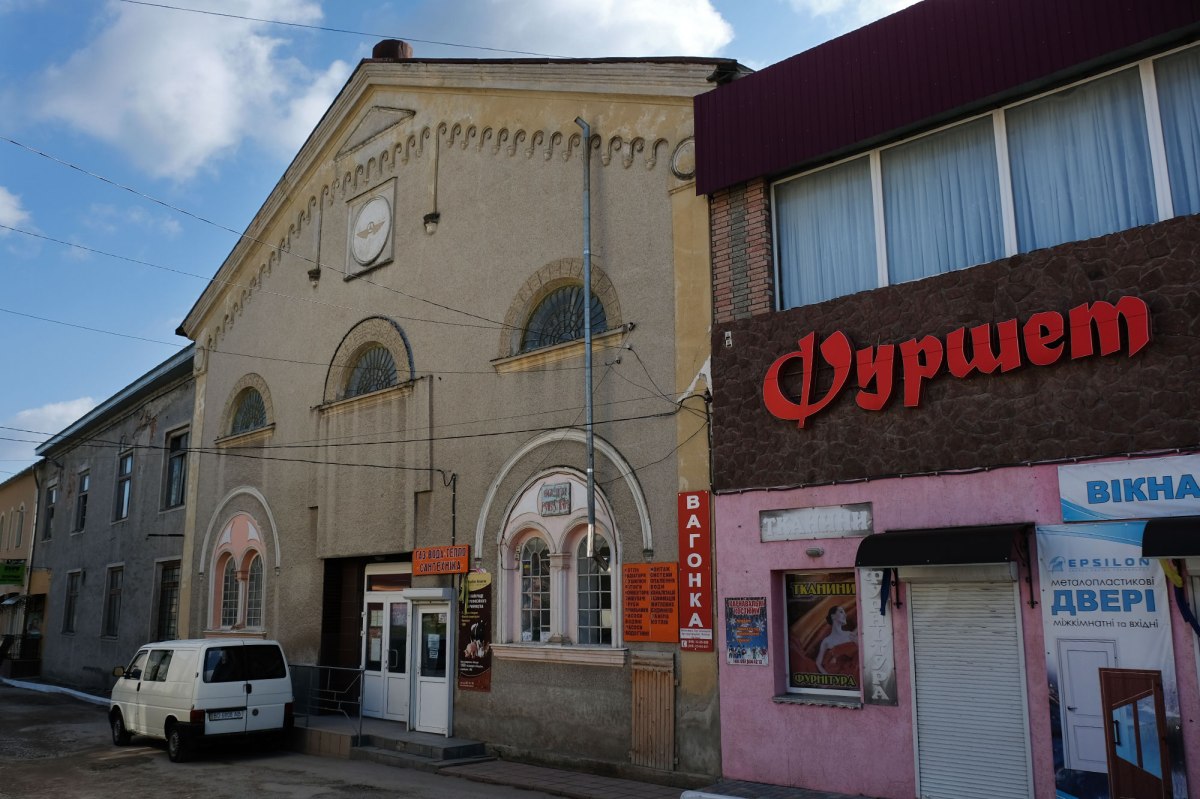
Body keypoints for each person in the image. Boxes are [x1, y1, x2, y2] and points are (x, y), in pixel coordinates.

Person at [815, 605, 857, 675]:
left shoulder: (850, 634)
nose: (845, 615)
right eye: (841, 612)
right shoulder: (826, 641)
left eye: (844, 612)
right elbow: (818, 662)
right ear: (833, 616)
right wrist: (828, 677)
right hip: (834, 677)